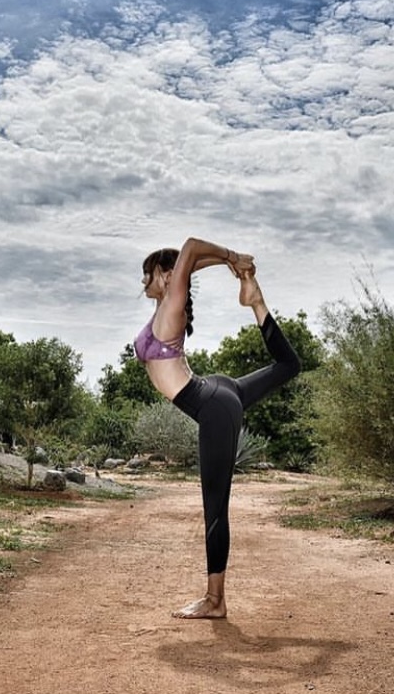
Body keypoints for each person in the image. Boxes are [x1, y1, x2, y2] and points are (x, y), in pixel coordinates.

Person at [134, 237, 302, 618]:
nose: (142, 282)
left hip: (212, 405)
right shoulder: (166, 304)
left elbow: (190, 247)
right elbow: (190, 261)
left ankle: (215, 601)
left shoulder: (172, 303)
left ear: (164, 276)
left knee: (215, 507)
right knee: (288, 367)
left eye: (148, 274)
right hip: (217, 391)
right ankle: (256, 302)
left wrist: (233, 258)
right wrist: (223, 266)